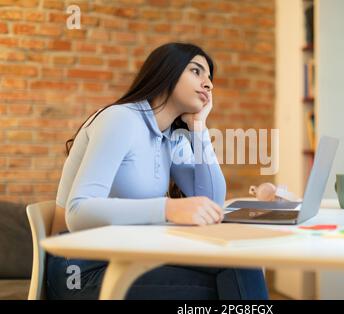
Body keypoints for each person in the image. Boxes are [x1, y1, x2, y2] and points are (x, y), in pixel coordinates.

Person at [46, 42, 269, 300]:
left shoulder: (170, 137)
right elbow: (77, 212)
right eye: (196, 71)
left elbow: (213, 202)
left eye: (209, 77)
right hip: (81, 268)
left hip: (132, 257)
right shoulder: (120, 119)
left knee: (241, 259)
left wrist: (199, 127)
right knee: (220, 291)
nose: (208, 84)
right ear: (167, 72)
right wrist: (168, 208)